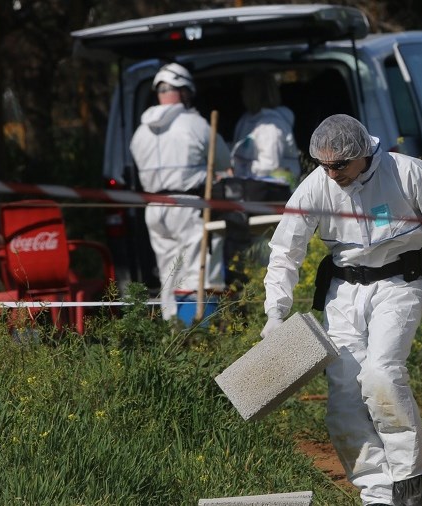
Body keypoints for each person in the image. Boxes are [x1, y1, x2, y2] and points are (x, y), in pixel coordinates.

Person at [261, 114, 422, 506]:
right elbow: (285, 251)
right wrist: (275, 313)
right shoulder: (316, 186)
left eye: (340, 165)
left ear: (363, 152)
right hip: (342, 294)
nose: (332, 174)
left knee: (381, 375)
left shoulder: (406, 172)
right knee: (344, 400)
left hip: (399, 285)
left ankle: (411, 482)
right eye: (324, 165)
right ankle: (377, 493)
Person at [129, 62, 232, 321]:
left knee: (168, 272)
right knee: (197, 270)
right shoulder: (195, 124)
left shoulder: (140, 131)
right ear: (185, 92)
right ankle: (198, 328)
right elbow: (224, 161)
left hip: (154, 207)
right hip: (188, 205)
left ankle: (172, 326)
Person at [231, 71, 301, 189]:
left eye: (245, 89)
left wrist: (237, 168)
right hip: (250, 186)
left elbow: (269, 165)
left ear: (255, 93)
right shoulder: (246, 119)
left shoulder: (271, 125)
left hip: (274, 190)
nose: (241, 93)